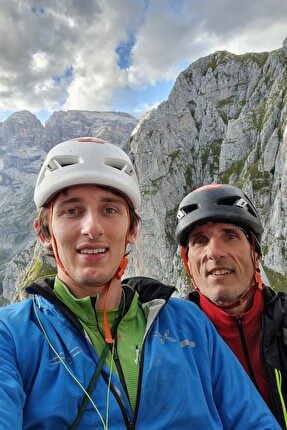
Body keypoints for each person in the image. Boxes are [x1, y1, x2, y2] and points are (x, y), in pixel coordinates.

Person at [0, 140, 281, 430]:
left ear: (132, 229)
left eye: (109, 210)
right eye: (71, 211)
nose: (92, 228)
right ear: (44, 232)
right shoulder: (11, 335)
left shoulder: (188, 322)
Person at [174, 183, 287, 429]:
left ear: (255, 253)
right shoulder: (170, 341)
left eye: (230, 236)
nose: (214, 252)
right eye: (200, 240)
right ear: (188, 264)